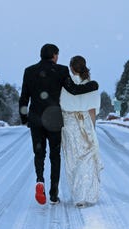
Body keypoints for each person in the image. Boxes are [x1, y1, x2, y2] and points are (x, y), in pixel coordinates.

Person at [19, 44, 99, 205]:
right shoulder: (61, 70)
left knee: (39, 153)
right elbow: (74, 90)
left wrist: (25, 119)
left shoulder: (29, 71)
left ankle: (40, 180)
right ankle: (54, 194)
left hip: (36, 118)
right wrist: (93, 85)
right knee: (55, 156)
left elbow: (23, 98)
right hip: (54, 118)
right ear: (54, 56)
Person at [60, 55, 103, 208]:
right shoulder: (91, 85)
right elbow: (92, 110)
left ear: (71, 68)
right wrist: (92, 129)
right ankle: (87, 193)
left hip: (69, 123)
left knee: (73, 159)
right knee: (87, 158)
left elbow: (61, 107)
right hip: (85, 123)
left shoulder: (65, 85)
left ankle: (78, 195)